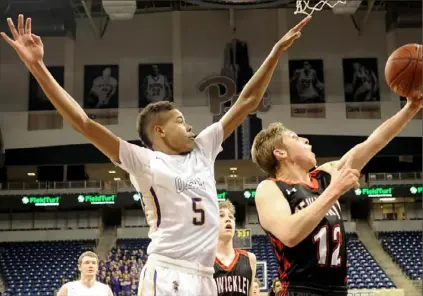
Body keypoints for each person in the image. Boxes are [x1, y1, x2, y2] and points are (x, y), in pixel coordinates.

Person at [1, 14, 311, 296]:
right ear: (159, 132)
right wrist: (37, 66)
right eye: (179, 121)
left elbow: (247, 101)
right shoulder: (145, 161)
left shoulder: (203, 148)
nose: (189, 126)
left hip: (205, 276)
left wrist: (275, 53)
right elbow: (83, 123)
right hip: (167, 272)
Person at [251, 91, 422, 295]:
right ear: (280, 153)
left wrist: (411, 107)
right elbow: (290, 234)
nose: (306, 140)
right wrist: (334, 191)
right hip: (300, 290)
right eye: (295, 138)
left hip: (339, 290)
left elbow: (372, 143)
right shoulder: (269, 188)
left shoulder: (324, 176)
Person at [214, 200, 256, 296]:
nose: (228, 219)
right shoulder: (206, 260)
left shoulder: (250, 259)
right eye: (221, 215)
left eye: (231, 217)